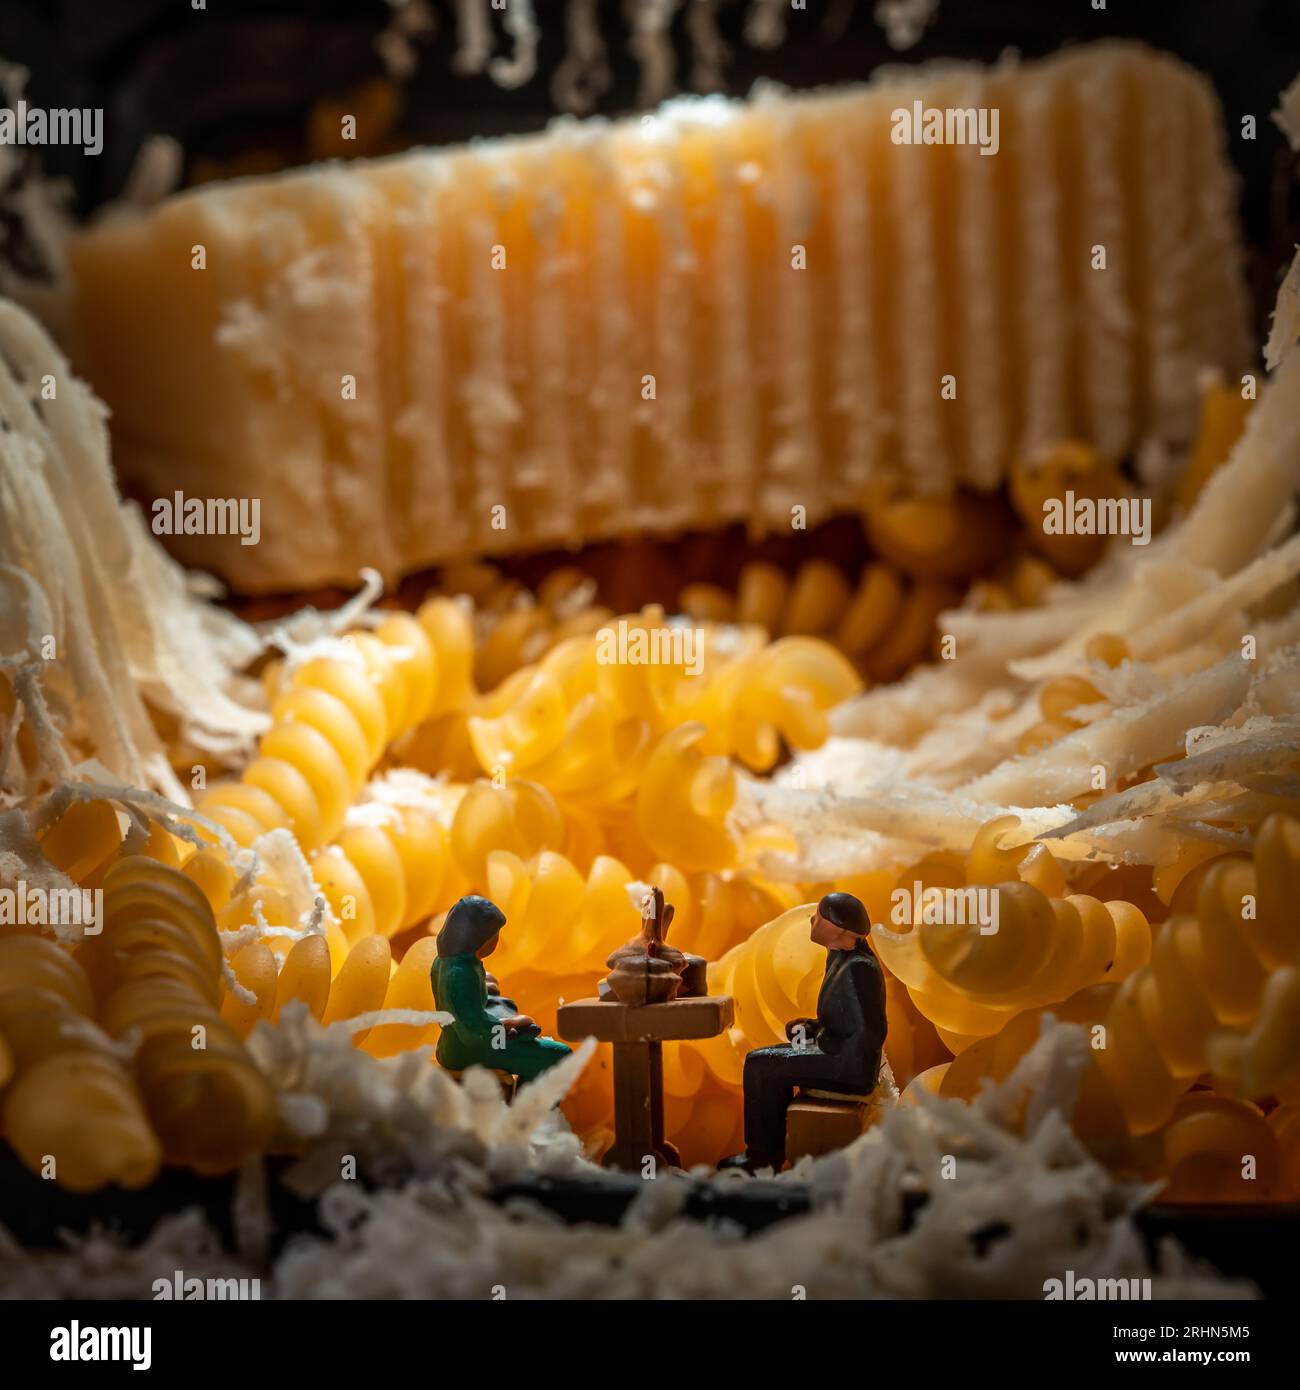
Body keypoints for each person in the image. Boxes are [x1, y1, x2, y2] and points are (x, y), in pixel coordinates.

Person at [719, 892, 886, 1172]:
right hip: (835, 1051)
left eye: (820, 917)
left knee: (760, 1065)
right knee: (764, 1060)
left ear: (841, 930)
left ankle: (762, 1155)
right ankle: (771, 1150)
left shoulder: (859, 968)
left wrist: (831, 1051)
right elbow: (844, 1018)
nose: (812, 919)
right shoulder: (840, 955)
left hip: (848, 1068)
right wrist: (815, 1027)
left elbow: (872, 1031)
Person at [430, 895, 571, 1083]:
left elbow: (455, 1004)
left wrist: (483, 984)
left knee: (506, 1008)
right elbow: (473, 1032)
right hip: (469, 1051)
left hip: (449, 1044)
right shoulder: (462, 973)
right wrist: (509, 1025)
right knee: (558, 1056)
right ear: (480, 937)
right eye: (494, 934)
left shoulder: (445, 961)